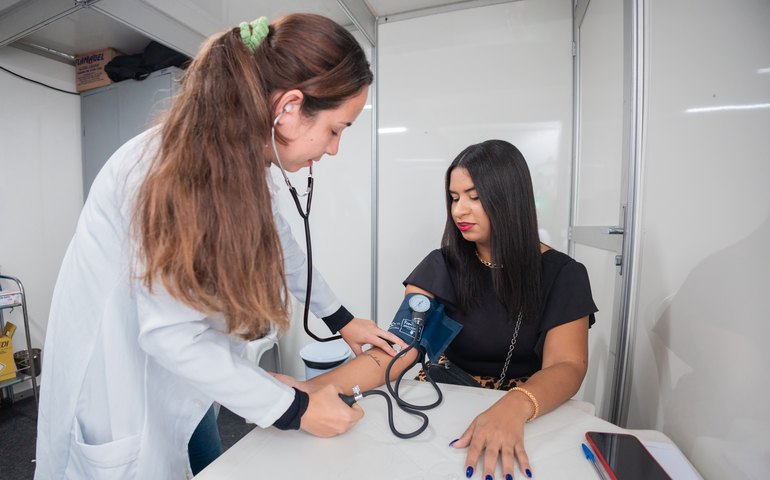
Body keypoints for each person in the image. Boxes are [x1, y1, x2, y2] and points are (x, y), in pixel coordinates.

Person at [34, 13, 406, 479]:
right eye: (336, 129)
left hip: (187, 382)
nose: (333, 149)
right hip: (122, 393)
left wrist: (342, 321)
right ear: (289, 106)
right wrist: (294, 408)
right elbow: (170, 335)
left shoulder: (241, 157)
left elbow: (282, 245)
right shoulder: (168, 171)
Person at [278, 140, 597, 480]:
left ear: (510, 199)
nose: (459, 210)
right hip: (448, 395)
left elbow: (567, 366)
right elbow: (397, 350)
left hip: (529, 404)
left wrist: (514, 406)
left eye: (474, 197)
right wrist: (311, 389)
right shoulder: (441, 266)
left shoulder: (563, 274)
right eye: (454, 197)